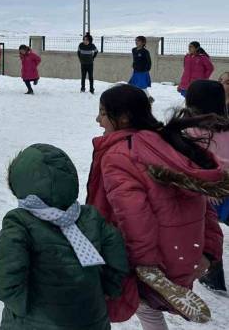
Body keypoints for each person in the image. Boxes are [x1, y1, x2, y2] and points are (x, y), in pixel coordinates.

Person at [86, 84, 228, 328]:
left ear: (123, 117)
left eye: (103, 112)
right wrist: (209, 249)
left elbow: (134, 216)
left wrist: (146, 267)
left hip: (154, 258)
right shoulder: (166, 140)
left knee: (132, 301)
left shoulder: (119, 154)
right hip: (182, 248)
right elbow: (200, 197)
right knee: (145, 307)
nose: (98, 119)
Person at [0, 144, 129, 330]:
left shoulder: (19, 222)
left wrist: (22, 308)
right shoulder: (90, 217)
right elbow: (118, 260)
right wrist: (105, 291)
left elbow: (8, 275)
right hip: (91, 318)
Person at [184, 79, 229, 293]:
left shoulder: (190, 131)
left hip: (205, 192)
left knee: (208, 235)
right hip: (224, 191)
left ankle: (214, 275)